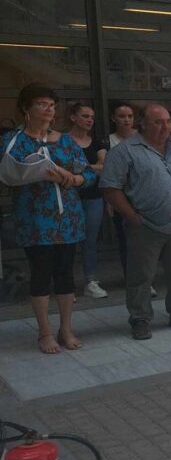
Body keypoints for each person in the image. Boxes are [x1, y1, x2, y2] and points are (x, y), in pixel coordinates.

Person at [100, 103, 171, 341]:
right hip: (145, 226)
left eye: (168, 121)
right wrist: (132, 216)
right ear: (144, 123)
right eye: (158, 122)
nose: (165, 126)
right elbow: (110, 188)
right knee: (141, 276)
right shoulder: (125, 151)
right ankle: (140, 319)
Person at [5, 85, 95, 354]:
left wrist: (76, 178)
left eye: (52, 105)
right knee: (41, 274)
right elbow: (9, 174)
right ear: (26, 108)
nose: (48, 109)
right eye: (42, 104)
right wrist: (46, 172)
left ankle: (66, 328)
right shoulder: (14, 141)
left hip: (67, 219)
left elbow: (88, 174)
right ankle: (44, 332)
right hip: (35, 220)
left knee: (66, 275)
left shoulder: (65, 141)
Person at [67, 103, 109, 298]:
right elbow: (62, 168)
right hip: (69, 197)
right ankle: (66, 285)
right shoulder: (63, 141)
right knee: (68, 240)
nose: (89, 120)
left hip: (93, 197)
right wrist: (92, 168)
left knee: (90, 240)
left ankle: (90, 280)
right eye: (85, 116)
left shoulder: (97, 143)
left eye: (91, 116)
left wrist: (80, 168)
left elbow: (104, 167)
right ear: (73, 117)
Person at [108, 101, 136, 275]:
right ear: (113, 118)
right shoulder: (109, 141)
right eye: (122, 116)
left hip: (143, 195)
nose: (126, 120)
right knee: (126, 238)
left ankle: (147, 278)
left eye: (130, 116)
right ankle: (131, 277)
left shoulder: (143, 138)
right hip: (121, 195)